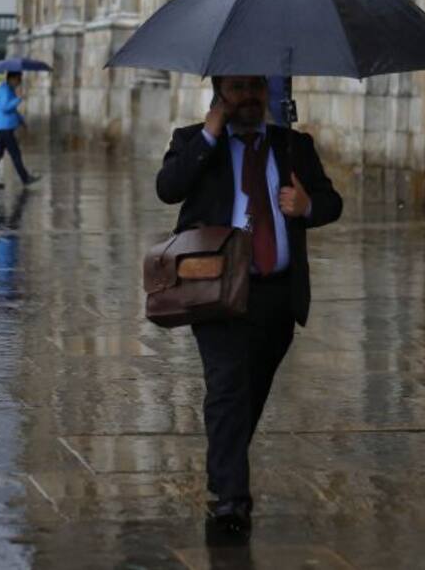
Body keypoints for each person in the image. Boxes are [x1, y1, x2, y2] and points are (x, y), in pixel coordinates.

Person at [155, 75, 342, 536]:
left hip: (276, 293)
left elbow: (332, 202)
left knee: (248, 393)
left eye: (256, 86)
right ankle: (231, 498)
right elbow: (168, 188)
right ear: (220, 92)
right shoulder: (194, 140)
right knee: (226, 389)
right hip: (215, 289)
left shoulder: (293, 146)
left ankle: (225, 467)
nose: (249, 97)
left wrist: (307, 206)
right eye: (238, 87)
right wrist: (209, 132)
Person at [0, 73, 39, 188]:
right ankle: (25, 178)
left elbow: (11, 109)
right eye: (18, 80)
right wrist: (18, 99)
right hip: (5, 129)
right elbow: (5, 108)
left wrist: (21, 121)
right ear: (12, 79)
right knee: (15, 154)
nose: (19, 82)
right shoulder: (5, 91)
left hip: (2, 128)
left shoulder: (6, 90)